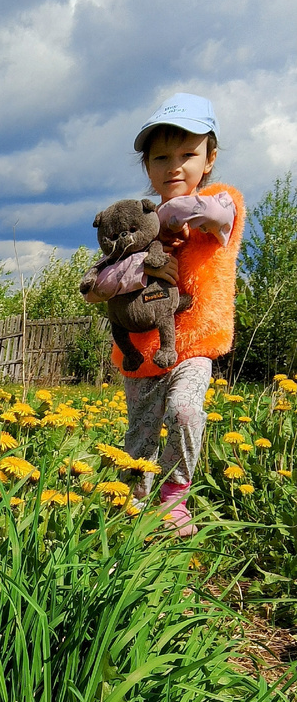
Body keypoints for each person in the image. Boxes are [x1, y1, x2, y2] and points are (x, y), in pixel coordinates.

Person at [82, 93, 244, 535]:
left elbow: (208, 211)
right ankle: (132, 514)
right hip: (140, 351)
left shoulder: (222, 202)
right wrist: (136, 261)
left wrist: (168, 221)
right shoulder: (136, 221)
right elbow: (98, 286)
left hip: (194, 344)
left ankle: (175, 496)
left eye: (188, 154)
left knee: (186, 413)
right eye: (161, 157)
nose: (175, 167)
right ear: (147, 168)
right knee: (139, 441)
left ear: (209, 159)